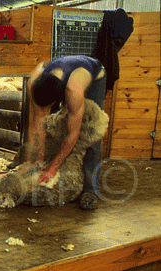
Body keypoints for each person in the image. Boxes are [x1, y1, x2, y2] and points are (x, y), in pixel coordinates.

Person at [26, 55, 107, 210]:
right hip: (64, 77)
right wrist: (40, 157)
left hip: (93, 76)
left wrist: (52, 168)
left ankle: (90, 191)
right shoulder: (34, 83)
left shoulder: (73, 90)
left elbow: (73, 134)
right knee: (55, 127)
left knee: (91, 131)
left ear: (57, 99)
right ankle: (57, 173)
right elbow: (39, 121)